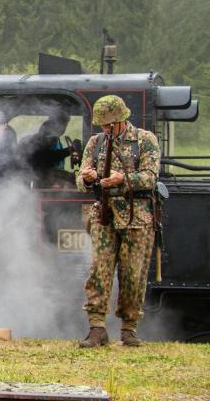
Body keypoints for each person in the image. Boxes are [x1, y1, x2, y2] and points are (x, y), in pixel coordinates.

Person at [76, 95, 161, 348]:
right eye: (101, 125)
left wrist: (122, 179)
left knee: (133, 275)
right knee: (98, 271)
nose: (104, 129)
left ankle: (129, 328)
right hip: (104, 216)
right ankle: (97, 327)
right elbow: (80, 180)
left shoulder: (144, 141)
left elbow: (150, 177)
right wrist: (88, 178)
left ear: (121, 120)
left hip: (137, 218)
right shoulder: (97, 143)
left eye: (108, 125)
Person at [18, 113, 77, 187]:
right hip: (41, 177)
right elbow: (47, 157)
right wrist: (70, 150)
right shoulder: (48, 135)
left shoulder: (54, 139)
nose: (64, 129)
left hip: (46, 174)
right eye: (63, 125)